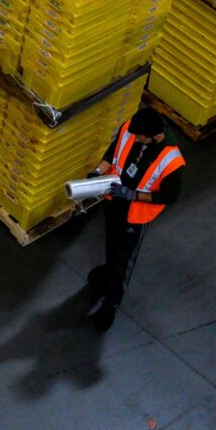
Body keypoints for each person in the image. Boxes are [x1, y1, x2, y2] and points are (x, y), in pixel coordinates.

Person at [86, 110, 184, 330]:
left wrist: (133, 195)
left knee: (124, 258)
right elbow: (114, 149)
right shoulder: (132, 128)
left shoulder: (172, 161)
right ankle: (107, 269)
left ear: (156, 137)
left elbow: (170, 196)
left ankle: (110, 304)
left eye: (140, 138)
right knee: (111, 241)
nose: (135, 139)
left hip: (134, 212)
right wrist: (98, 172)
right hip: (114, 199)